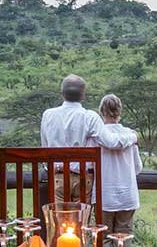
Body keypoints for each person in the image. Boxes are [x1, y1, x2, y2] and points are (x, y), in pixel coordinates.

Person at [39, 74, 136, 203]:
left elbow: (45, 148)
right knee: (81, 220)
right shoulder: (90, 117)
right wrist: (133, 137)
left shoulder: (48, 115)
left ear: (61, 94)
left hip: (58, 178)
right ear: (83, 95)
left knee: (59, 220)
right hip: (83, 179)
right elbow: (111, 142)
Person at [95, 94, 142, 236]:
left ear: (101, 112)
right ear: (119, 111)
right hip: (127, 194)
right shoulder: (130, 135)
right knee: (125, 235)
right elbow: (137, 167)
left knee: (104, 237)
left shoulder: (97, 135)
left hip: (104, 195)